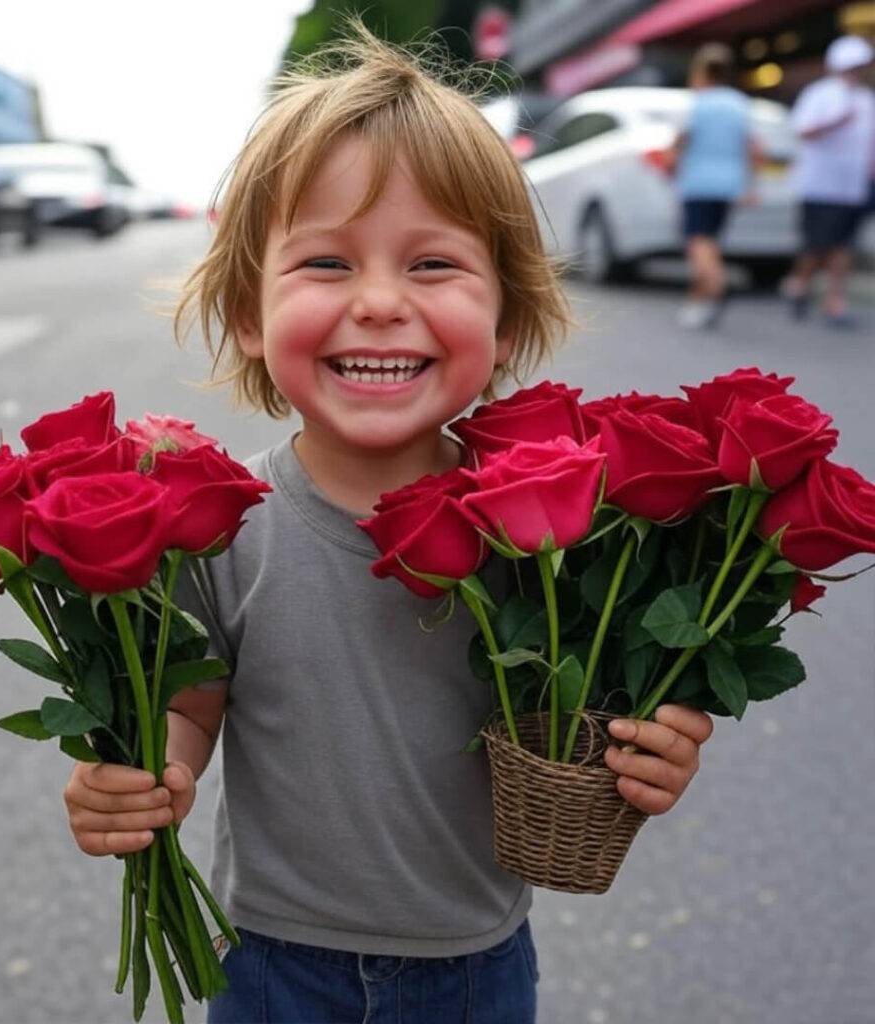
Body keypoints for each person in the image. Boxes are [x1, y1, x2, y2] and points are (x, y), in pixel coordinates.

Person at [62, 25, 714, 1023]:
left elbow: (592, 710)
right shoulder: (218, 525)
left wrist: (650, 747)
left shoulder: (552, 533)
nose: (377, 303)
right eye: (324, 262)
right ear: (248, 312)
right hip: (273, 960)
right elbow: (193, 703)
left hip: (477, 961)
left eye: (433, 265)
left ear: (501, 319)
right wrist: (149, 773)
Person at [782, 34, 875, 328]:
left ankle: (835, 301)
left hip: (853, 185)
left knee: (844, 245)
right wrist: (835, 123)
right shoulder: (819, 94)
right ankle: (798, 284)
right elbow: (802, 130)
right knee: (816, 244)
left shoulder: (867, 98)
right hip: (820, 183)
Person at [672, 43, 756, 330]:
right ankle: (700, 299)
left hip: (698, 182)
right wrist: (750, 185)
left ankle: (716, 287)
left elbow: (679, 142)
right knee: (710, 241)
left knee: (699, 242)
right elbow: (753, 147)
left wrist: (670, 159)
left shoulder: (699, 104)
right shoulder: (739, 103)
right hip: (730, 184)